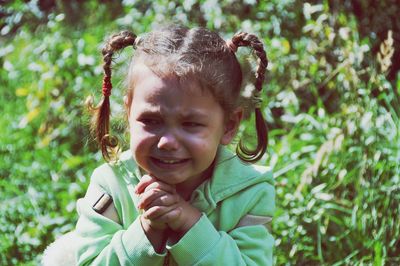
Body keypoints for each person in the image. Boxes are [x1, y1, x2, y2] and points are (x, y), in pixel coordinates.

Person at [75, 25, 275, 265]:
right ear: (129, 113)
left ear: (229, 126)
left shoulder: (249, 191)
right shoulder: (110, 185)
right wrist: (147, 230)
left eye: (190, 124)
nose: (167, 142)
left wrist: (189, 224)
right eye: (151, 121)